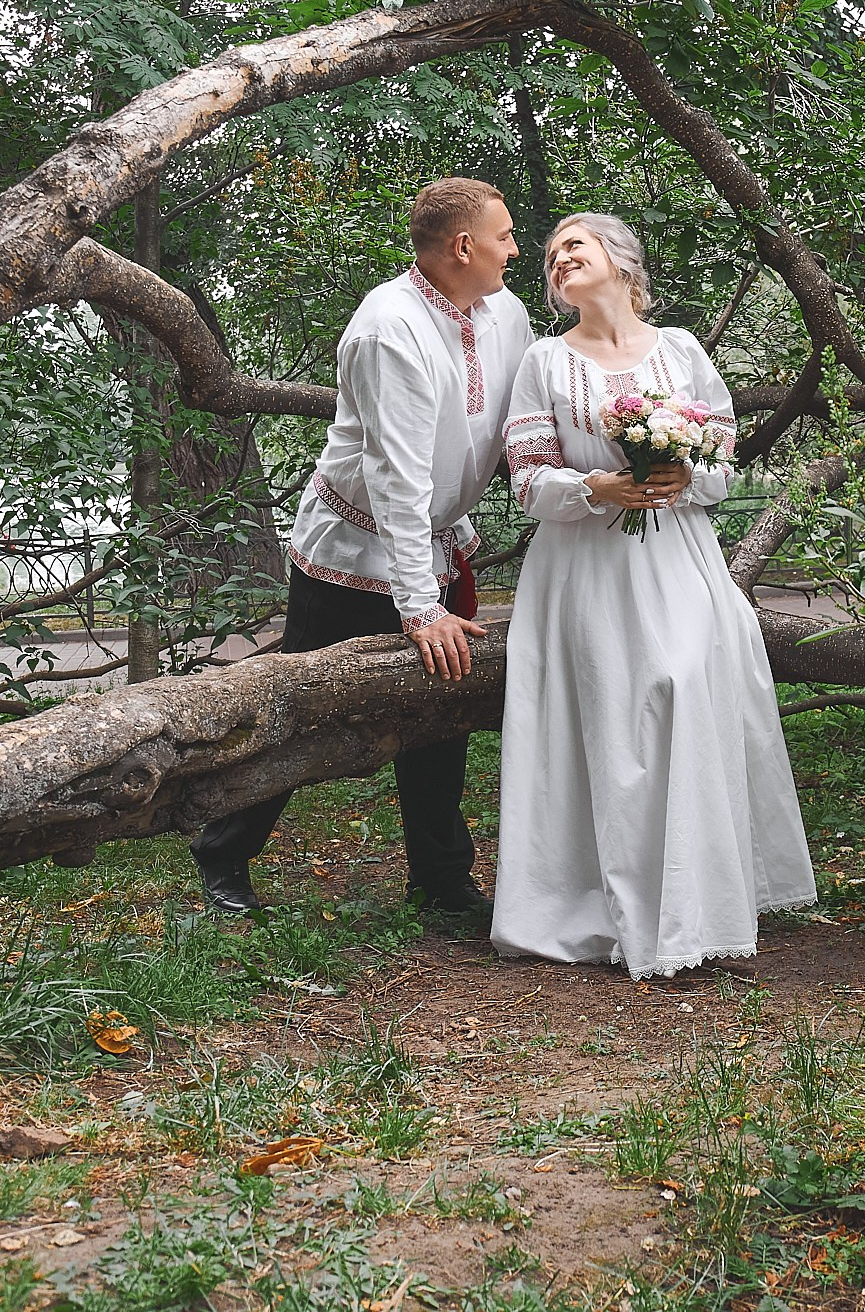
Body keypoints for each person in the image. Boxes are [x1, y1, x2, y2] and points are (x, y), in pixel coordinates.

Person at [189, 177, 533, 930]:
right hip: (353, 550)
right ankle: (223, 851)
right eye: (505, 235)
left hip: (436, 545)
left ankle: (440, 878)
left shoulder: (506, 312)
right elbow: (399, 478)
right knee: (305, 710)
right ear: (463, 246)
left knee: (441, 714)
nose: (517, 247)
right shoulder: (388, 329)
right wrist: (420, 608)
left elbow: (522, 421)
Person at [491, 213, 815, 978]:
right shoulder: (543, 361)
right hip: (584, 569)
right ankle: (597, 909)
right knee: (608, 716)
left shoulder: (683, 350)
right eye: (550, 255)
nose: (560, 258)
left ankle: (694, 904)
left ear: (621, 261)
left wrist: (684, 477)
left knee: (684, 687)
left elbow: (723, 458)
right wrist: (597, 486)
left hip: (677, 558)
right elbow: (528, 480)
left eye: (575, 245)